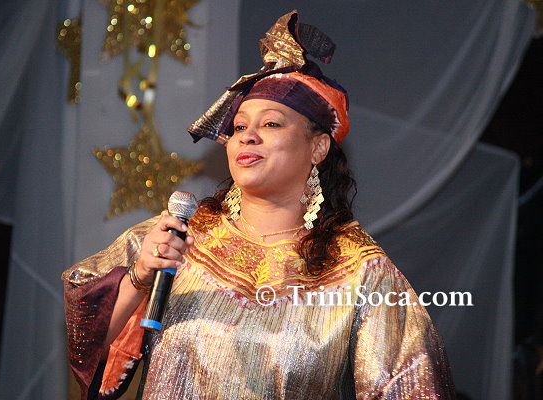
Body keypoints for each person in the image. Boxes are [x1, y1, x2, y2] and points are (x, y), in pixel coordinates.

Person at [63, 10, 456, 400]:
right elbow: (87, 350)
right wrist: (139, 278)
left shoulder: (359, 270)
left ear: (318, 147)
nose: (247, 136)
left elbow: (412, 387)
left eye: (271, 124)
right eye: (239, 126)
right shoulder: (176, 238)